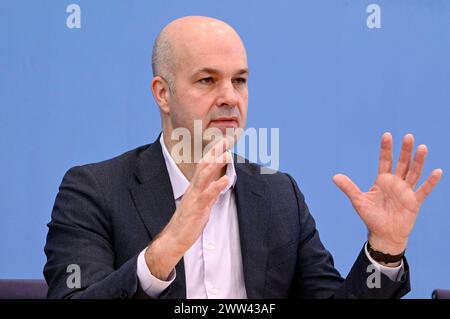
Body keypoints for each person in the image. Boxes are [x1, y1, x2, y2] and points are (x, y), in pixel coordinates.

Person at [43, 16, 442, 299]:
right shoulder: (93, 190)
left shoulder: (278, 193)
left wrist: (384, 250)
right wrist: (168, 246)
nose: (230, 97)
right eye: (207, 80)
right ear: (162, 93)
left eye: (240, 80)